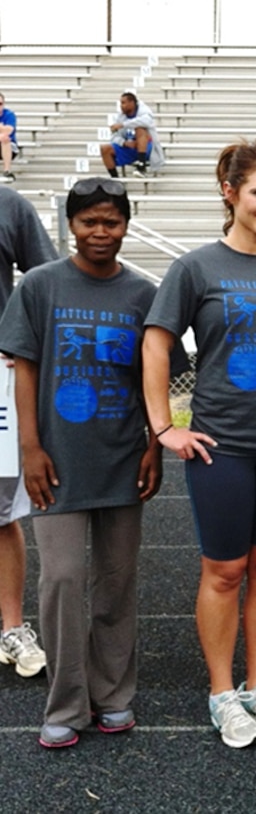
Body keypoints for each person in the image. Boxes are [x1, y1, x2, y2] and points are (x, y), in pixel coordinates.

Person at [142, 139, 256, 749]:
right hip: (222, 444)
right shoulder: (196, 267)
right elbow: (156, 343)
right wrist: (165, 426)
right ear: (231, 192)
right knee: (225, 571)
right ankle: (222, 693)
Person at [0, 178, 171, 748]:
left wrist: (153, 443)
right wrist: (30, 448)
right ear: (70, 226)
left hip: (123, 457)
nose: (101, 233)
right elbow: (24, 368)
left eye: (112, 222)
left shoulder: (144, 295)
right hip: (58, 463)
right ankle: (67, 702)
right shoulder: (41, 287)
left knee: (117, 582)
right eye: (89, 222)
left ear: (126, 225)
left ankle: (114, 693)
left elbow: (155, 380)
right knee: (63, 580)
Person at [0, 186, 57, 682]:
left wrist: (17, 341)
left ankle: (11, 627)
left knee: (1, 514)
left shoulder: (9, 205)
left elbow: (47, 277)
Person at [100, 91, 165, 179]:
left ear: (132, 103)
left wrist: (123, 125)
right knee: (104, 148)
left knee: (140, 129)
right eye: (120, 103)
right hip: (130, 148)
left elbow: (147, 121)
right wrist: (124, 143)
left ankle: (141, 166)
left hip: (147, 148)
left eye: (123, 103)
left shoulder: (144, 111)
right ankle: (115, 179)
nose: (121, 106)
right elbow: (114, 137)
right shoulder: (120, 117)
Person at [0, 93, 19, 182]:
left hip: (10, 147)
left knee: (5, 138)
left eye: (0, 104)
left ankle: (7, 170)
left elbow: (8, 131)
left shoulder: (9, 115)